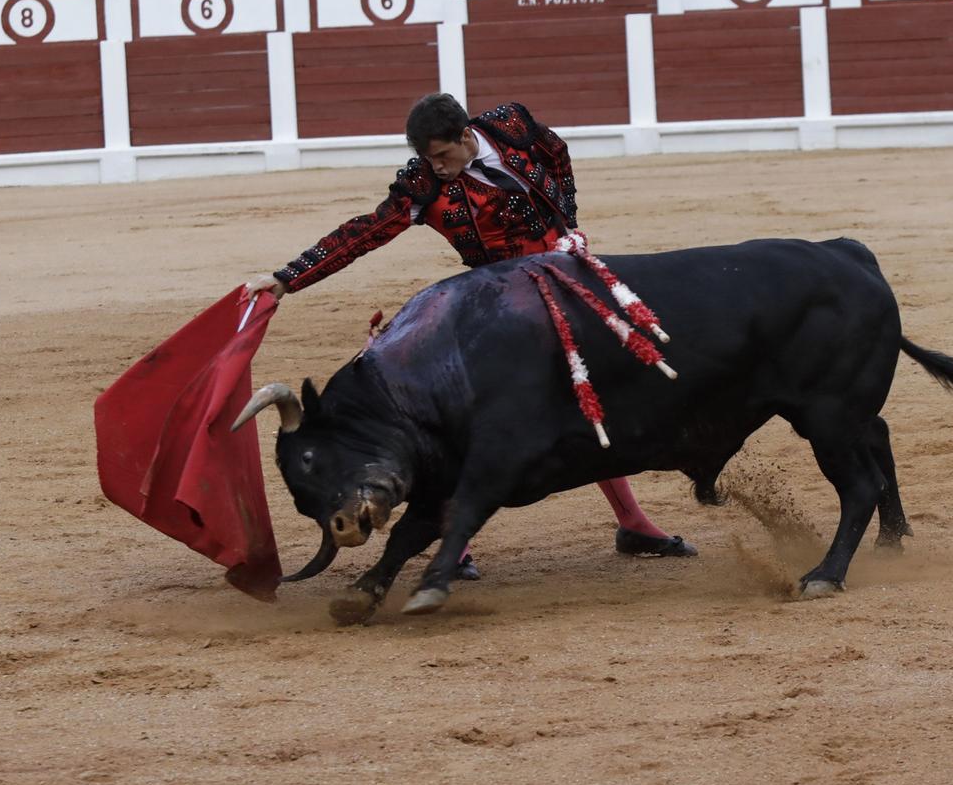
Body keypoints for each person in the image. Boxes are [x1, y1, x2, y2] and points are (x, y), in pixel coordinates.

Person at [240, 93, 697, 567]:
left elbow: (557, 153)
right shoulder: (423, 185)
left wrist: (569, 222)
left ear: (465, 136)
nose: (437, 168)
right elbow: (363, 233)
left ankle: (633, 524)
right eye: (427, 159)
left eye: (443, 156)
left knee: (589, 399)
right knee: (468, 418)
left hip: (566, 282)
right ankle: (457, 546)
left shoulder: (510, 125)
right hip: (498, 304)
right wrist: (288, 278)